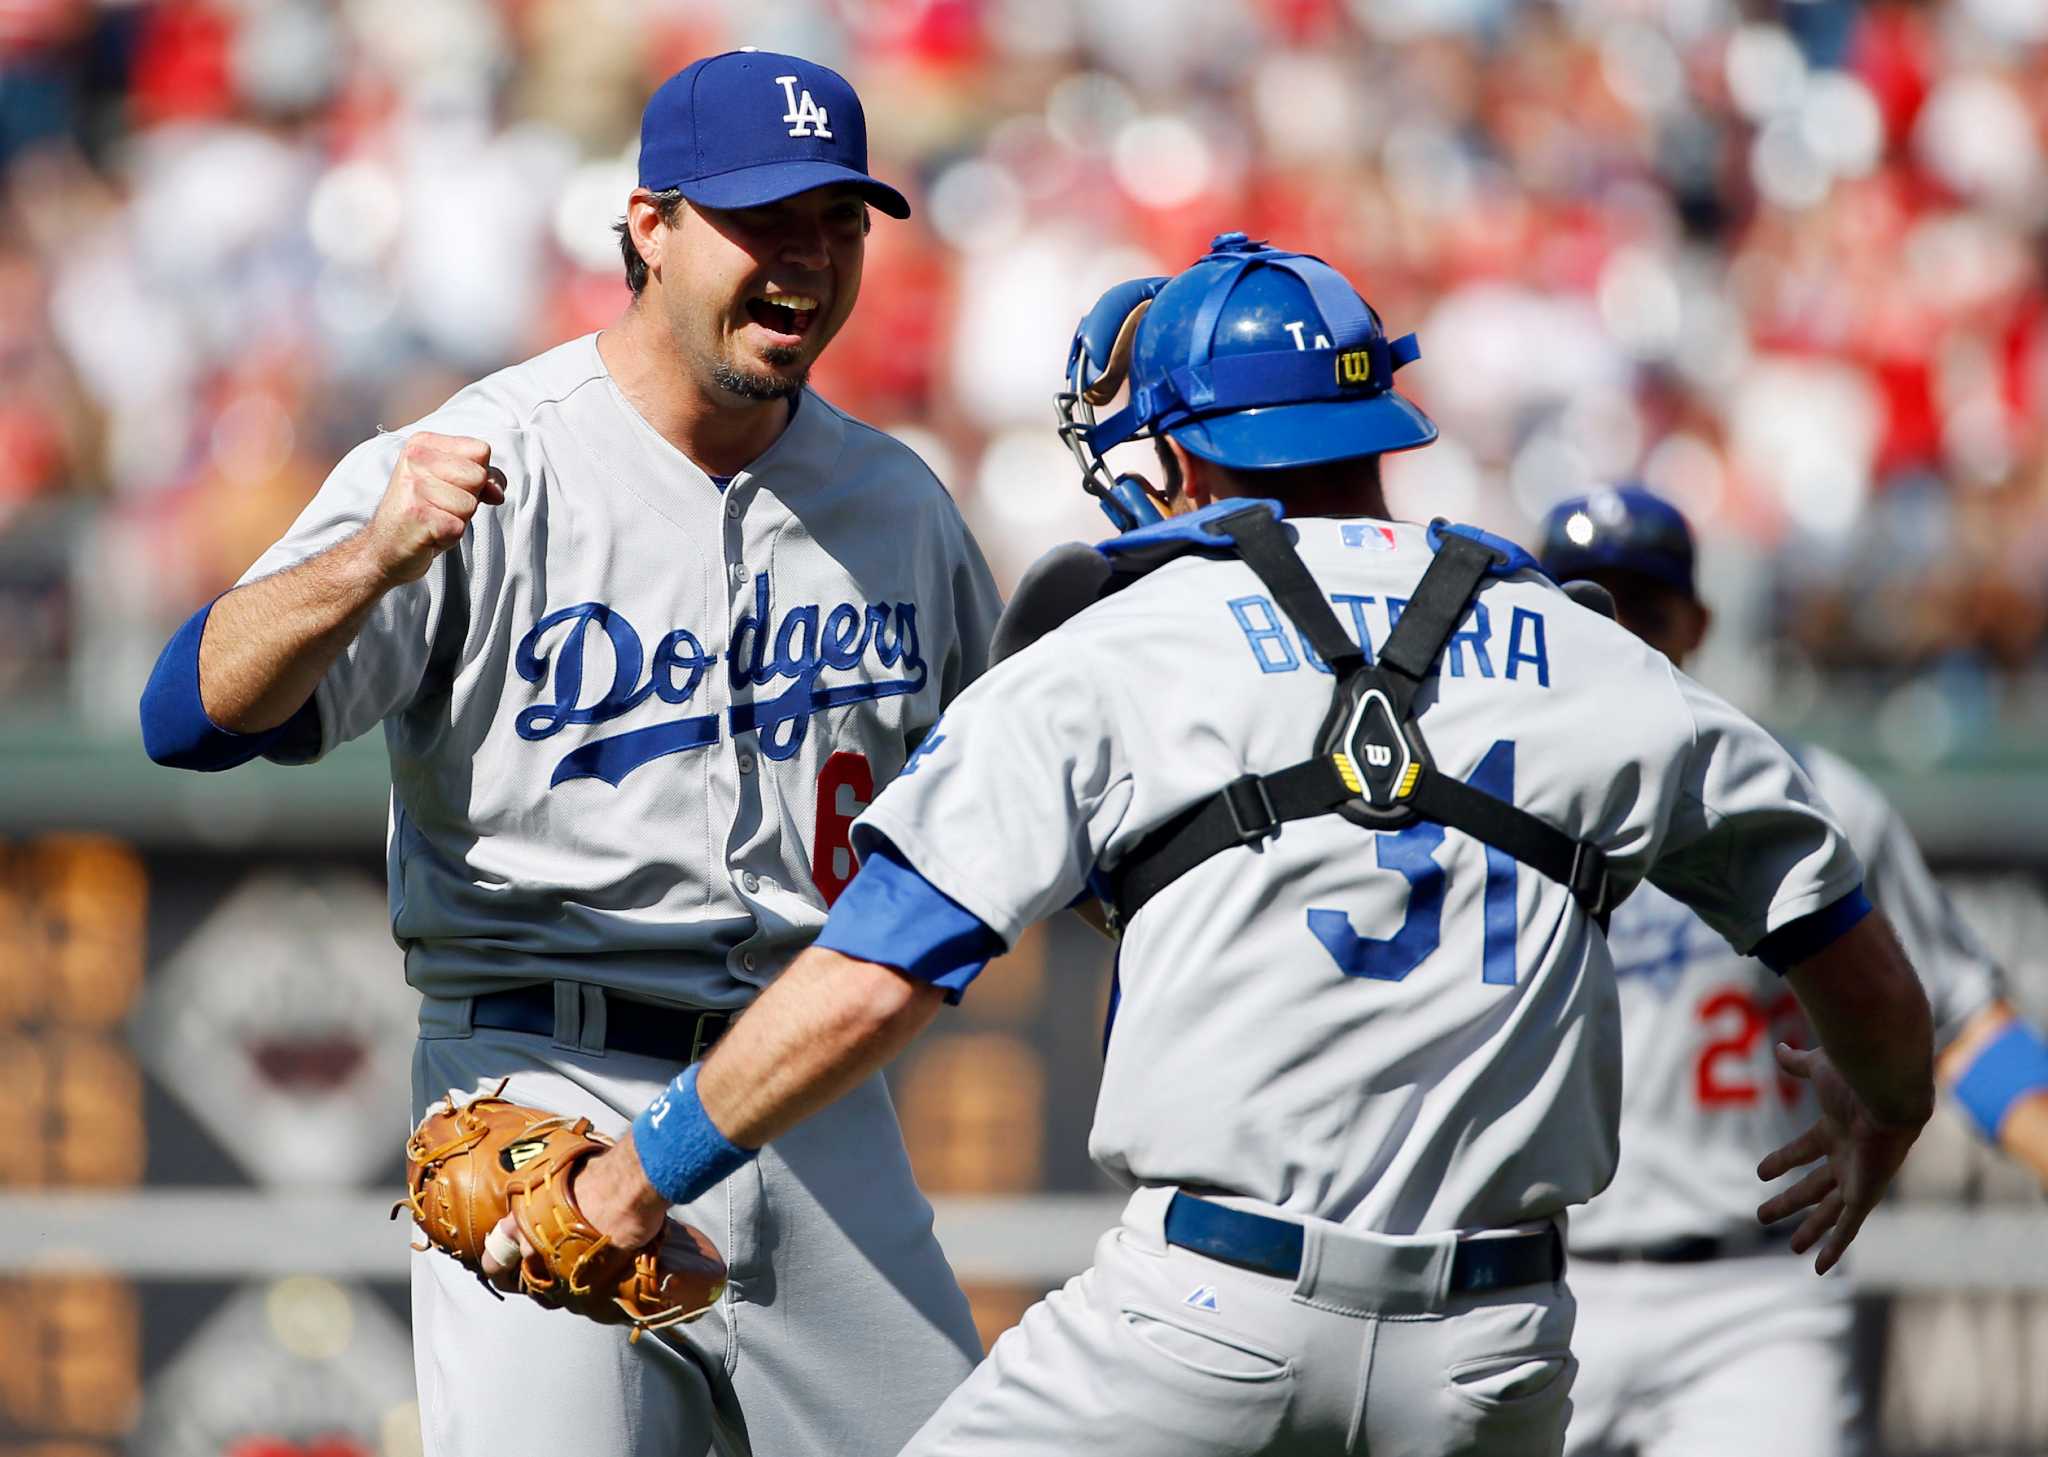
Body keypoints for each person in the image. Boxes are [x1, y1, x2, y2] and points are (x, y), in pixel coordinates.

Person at [543, 234, 1937, 1457]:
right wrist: (1887, 1109)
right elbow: (1852, 954)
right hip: (1496, 1353)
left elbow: (875, 977)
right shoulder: (1601, 663)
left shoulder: (1120, 649)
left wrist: (643, 1164)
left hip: (1207, 1317)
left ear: (1190, 450)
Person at [139, 49, 999, 1457]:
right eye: (763, 222)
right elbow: (192, 717)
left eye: (836, 223)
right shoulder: (482, 460)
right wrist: (369, 559)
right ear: (647, 226)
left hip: (811, 1089)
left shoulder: (898, 502)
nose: (806, 259)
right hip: (548, 1088)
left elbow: (1013, 810)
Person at [1535, 485, 2048, 1457]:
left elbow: (1961, 1022)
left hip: (1749, 1295)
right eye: (1578, 603)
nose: (1613, 632)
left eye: (1639, 606)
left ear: (1695, 621)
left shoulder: (1800, 793)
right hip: (1541, 1281)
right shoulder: (1486, 796)